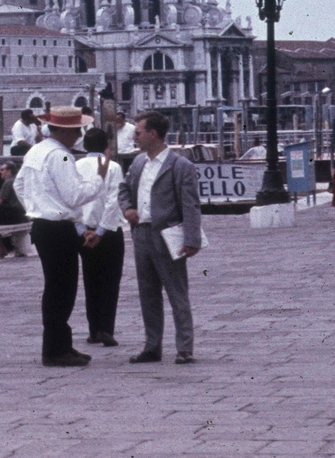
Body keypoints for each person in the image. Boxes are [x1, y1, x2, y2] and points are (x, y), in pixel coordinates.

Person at [16, 106, 110, 366]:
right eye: (76, 130)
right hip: (58, 228)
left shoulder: (36, 150)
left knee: (55, 287)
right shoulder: (62, 157)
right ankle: (56, 349)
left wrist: (36, 207)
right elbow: (74, 196)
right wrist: (99, 179)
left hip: (42, 225)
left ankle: (60, 344)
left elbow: (19, 185)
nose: (79, 135)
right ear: (66, 131)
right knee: (63, 289)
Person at [119, 111, 202, 365]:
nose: (134, 137)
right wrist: (127, 208)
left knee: (177, 292)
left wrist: (192, 239)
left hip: (168, 235)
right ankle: (152, 346)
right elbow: (124, 190)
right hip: (142, 234)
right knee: (148, 293)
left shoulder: (180, 166)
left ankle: (184, 347)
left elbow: (190, 205)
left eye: (138, 133)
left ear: (152, 134)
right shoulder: (138, 163)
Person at [76, 128, 126, 348]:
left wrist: (82, 230)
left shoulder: (75, 166)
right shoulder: (113, 167)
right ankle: (106, 327)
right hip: (109, 230)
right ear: (106, 146)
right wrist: (102, 230)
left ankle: (94, 329)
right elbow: (114, 201)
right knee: (110, 281)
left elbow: (73, 200)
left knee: (90, 279)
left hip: (84, 231)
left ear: (84, 146)